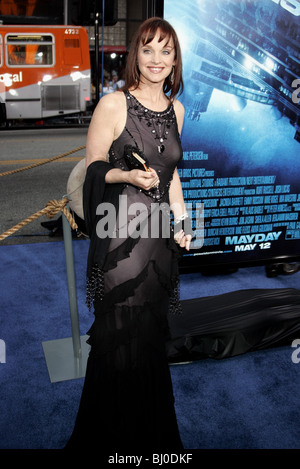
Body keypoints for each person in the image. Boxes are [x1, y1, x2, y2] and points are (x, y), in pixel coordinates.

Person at [65, 17, 193, 451]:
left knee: (150, 343)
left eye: (166, 50)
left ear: (175, 59)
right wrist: (127, 176)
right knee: (120, 341)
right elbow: (93, 166)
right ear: (135, 54)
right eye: (148, 49)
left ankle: (149, 443)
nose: (157, 59)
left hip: (158, 245)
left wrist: (182, 221)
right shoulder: (114, 105)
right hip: (120, 241)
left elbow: (171, 176)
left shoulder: (177, 109)